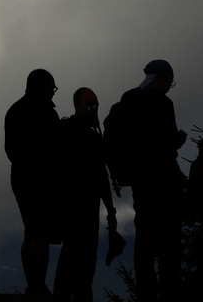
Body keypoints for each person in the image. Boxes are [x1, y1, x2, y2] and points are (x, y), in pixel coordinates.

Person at [107, 60, 187, 302]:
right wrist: (180, 139)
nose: (170, 85)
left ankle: (146, 295)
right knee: (169, 243)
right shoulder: (163, 103)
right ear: (162, 78)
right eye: (169, 80)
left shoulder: (128, 100)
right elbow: (167, 141)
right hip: (164, 181)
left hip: (140, 182)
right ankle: (169, 294)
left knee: (144, 243)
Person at [52, 87, 117, 300]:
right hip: (72, 206)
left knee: (86, 263)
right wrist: (63, 197)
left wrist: (111, 210)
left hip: (90, 207)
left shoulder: (94, 137)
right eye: (90, 105)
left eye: (96, 105)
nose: (94, 109)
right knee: (70, 259)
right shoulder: (65, 129)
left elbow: (102, 176)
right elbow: (52, 168)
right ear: (77, 104)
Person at [7, 68, 62, 294]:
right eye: (52, 88)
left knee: (30, 232)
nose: (53, 93)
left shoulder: (15, 110)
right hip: (41, 179)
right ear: (45, 87)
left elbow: (10, 149)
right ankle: (38, 287)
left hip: (20, 177)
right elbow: (55, 149)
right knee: (41, 233)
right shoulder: (46, 112)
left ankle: (33, 285)